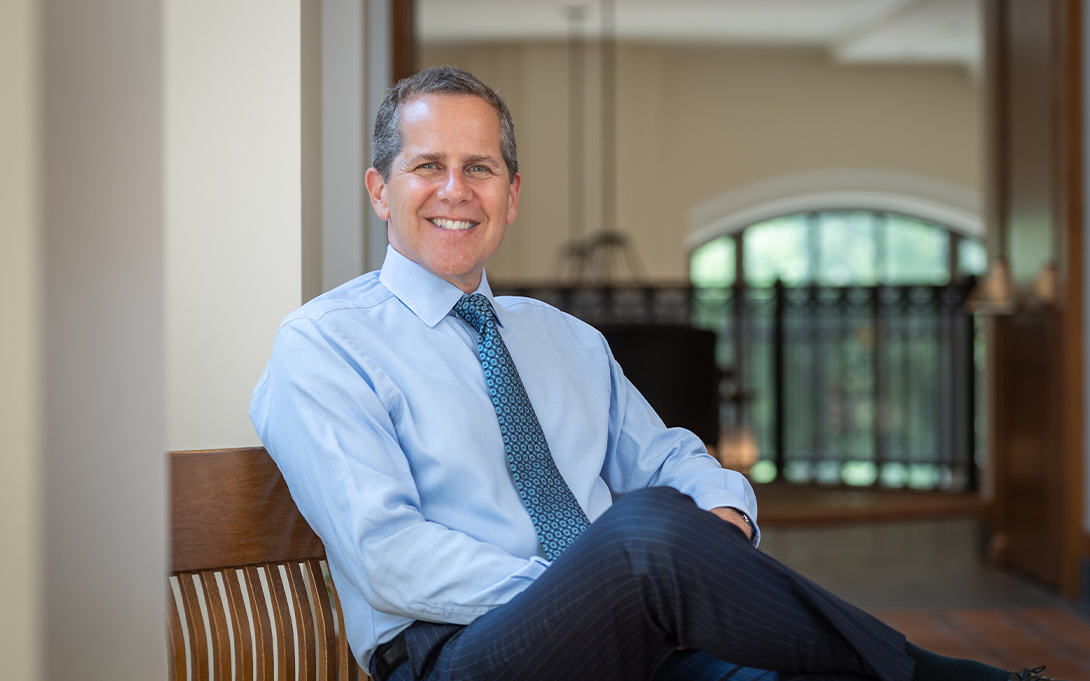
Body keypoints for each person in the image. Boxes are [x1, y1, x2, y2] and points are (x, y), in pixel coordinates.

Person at [249, 66, 1062, 681]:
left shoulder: (563, 338)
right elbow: (389, 553)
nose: (455, 190)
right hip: (460, 653)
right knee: (638, 535)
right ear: (379, 191)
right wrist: (590, 586)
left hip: (639, 635)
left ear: (513, 193)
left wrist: (724, 517)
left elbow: (672, 453)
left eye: (481, 168)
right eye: (427, 166)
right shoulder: (323, 345)